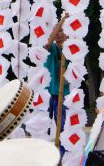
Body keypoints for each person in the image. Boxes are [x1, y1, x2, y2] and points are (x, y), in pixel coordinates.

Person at [43, 14, 69, 156]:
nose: (58, 34)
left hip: (64, 93)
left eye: (60, 31)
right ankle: (43, 152)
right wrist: (62, 21)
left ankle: (62, 155)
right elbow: (48, 41)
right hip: (48, 91)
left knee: (63, 126)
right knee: (44, 125)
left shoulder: (71, 49)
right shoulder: (50, 48)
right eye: (55, 31)